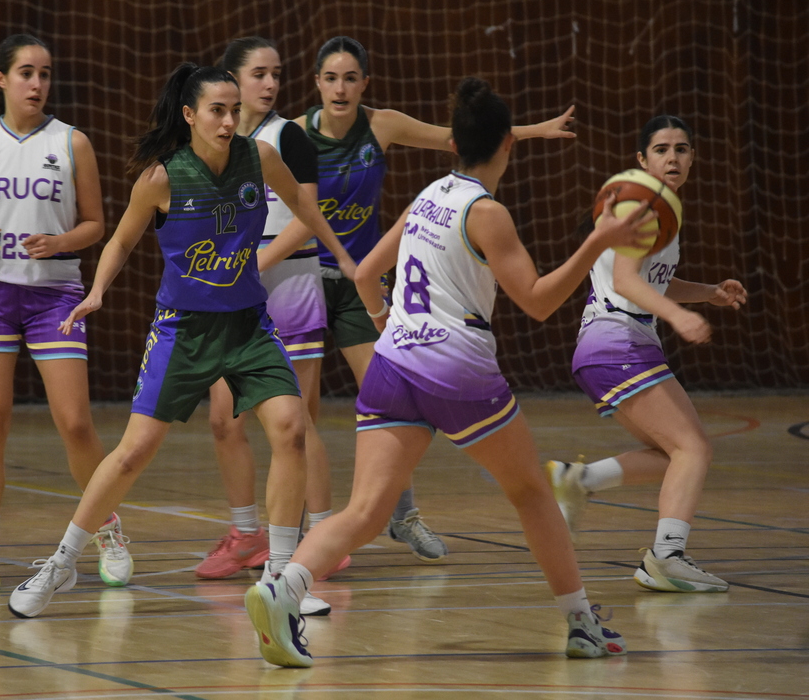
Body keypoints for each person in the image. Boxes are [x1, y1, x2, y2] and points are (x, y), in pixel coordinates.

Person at [245, 76, 655, 667]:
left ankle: (283, 588)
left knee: (365, 511)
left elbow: (366, 275)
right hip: (456, 368)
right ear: (507, 143)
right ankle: (582, 624)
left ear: (454, 144)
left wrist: (388, 324)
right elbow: (539, 302)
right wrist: (598, 241)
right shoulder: (487, 213)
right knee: (532, 493)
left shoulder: (428, 194)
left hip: (392, 364)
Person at [5, 62, 357, 619]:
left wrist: (345, 258)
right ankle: (61, 562)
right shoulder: (162, 178)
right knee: (133, 452)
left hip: (248, 324)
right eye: (217, 110)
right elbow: (121, 241)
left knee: (291, 430)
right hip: (184, 328)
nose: (228, 121)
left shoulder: (260, 158)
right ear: (190, 115)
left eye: (234, 110)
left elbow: (304, 206)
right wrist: (96, 291)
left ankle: (280, 578)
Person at [297, 36, 579, 561]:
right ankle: (301, 533)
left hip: (364, 280)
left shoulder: (382, 126)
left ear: (364, 83)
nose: (340, 88)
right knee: (300, 415)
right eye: (331, 78)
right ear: (316, 83)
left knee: (388, 393)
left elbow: (459, 137)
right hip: (305, 279)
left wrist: (533, 130)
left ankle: (398, 517)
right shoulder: (293, 136)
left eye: (351, 77)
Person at [0, 34, 125, 595]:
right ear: (1, 79)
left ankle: (108, 531)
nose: (37, 83)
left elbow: (95, 224)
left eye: (44, 73)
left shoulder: (72, 142)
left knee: (75, 421)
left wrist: (59, 242)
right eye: (26, 72)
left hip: (53, 295)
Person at [547, 115, 747, 593]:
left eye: (681, 148)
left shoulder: (659, 209)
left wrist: (708, 294)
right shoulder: (644, 208)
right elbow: (625, 281)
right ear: (641, 160)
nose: (672, 157)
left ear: (693, 158)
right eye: (661, 149)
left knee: (675, 453)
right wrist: (678, 317)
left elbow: (654, 280)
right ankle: (667, 557)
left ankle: (580, 479)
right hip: (617, 342)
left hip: (610, 346)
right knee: (693, 448)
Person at [196, 38, 348, 607]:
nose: (269, 84)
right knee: (223, 418)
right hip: (231, 292)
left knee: (297, 421)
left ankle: (326, 537)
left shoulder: (289, 137)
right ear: (231, 81)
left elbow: (307, 218)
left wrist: (252, 263)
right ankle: (246, 535)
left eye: (275, 74)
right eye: (258, 73)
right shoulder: (217, 143)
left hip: (287, 283)